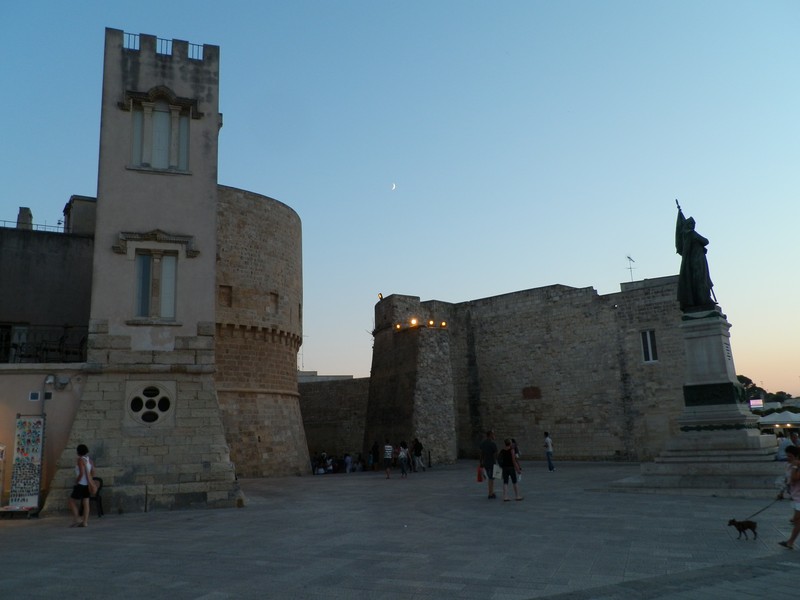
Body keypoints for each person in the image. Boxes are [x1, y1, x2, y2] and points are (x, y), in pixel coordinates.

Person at [675, 202, 715, 312]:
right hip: (697, 262)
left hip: (697, 261)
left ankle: (703, 299)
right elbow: (705, 241)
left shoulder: (688, 235)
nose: (693, 226)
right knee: (701, 280)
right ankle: (703, 300)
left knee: (701, 280)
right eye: (691, 224)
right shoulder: (691, 234)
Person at [68, 444, 95, 528]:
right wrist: (90, 480)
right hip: (87, 484)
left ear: (78, 451)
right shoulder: (89, 460)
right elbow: (93, 471)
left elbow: (81, 473)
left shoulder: (80, 460)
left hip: (81, 484)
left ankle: (77, 518)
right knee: (86, 503)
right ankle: (85, 522)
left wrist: (77, 480)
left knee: (71, 501)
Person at [779, 445, 800, 549]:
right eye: (787, 456)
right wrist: (781, 492)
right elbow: (787, 481)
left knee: (797, 521)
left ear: (796, 457)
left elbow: (794, 479)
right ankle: (790, 542)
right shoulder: (788, 465)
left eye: (790, 456)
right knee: (797, 521)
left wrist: (795, 466)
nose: (788, 458)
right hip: (795, 496)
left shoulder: (798, 466)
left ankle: (790, 542)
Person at [479, 430, 498, 499]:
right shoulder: (493, 444)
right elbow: (495, 454)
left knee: (491, 478)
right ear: (490, 435)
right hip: (491, 463)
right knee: (491, 478)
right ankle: (490, 493)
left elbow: (481, 454)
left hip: (485, 463)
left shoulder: (483, 443)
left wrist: (481, 462)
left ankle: (491, 492)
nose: (494, 436)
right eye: (493, 435)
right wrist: (498, 462)